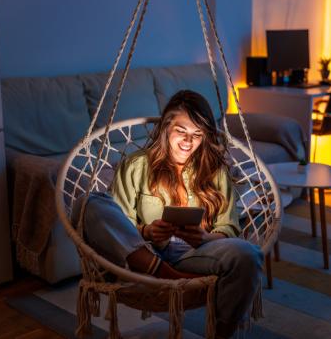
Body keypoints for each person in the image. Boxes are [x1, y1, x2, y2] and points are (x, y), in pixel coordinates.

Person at [79, 89, 264, 338]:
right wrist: (147, 231)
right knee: (89, 203)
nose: (188, 142)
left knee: (249, 254)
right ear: (167, 127)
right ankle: (163, 273)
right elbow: (118, 224)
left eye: (197, 135)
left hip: (195, 254)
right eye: (181, 131)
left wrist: (204, 238)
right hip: (144, 254)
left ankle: (221, 334)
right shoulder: (136, 166)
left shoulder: (215, 171)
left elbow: (229, 229)